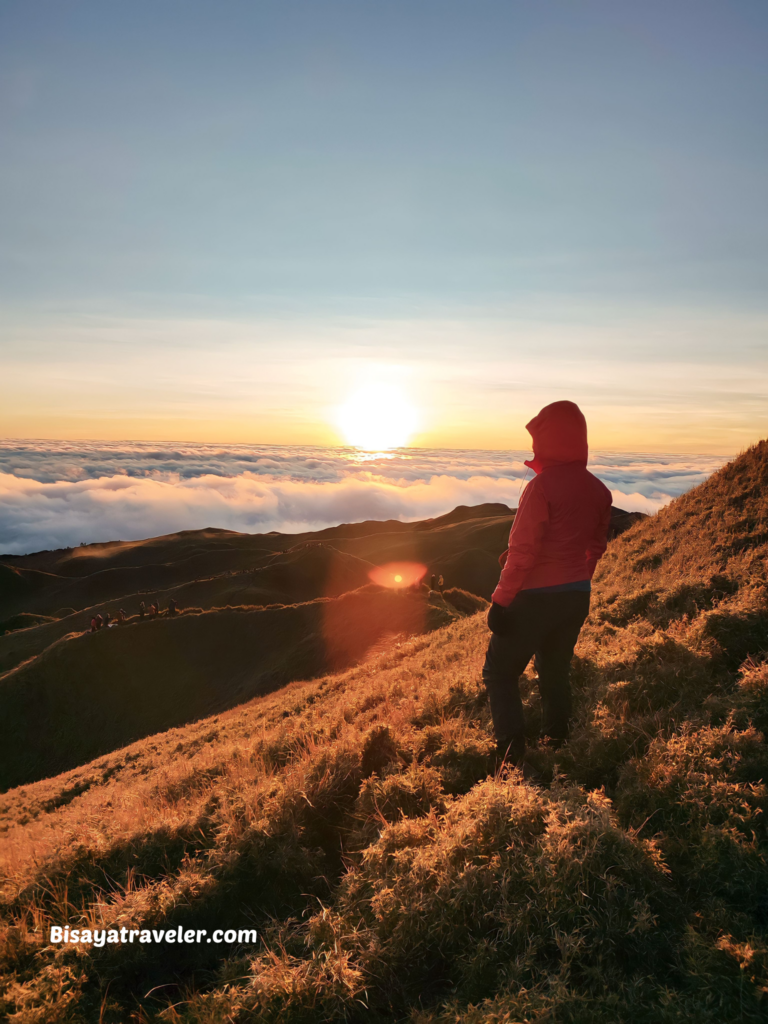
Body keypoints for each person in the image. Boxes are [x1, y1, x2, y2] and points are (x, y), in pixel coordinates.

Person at [483, 400, 612, 771]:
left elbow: (522, 552)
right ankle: (557, 741)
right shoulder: (600, 491)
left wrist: (501, 601)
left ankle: (510, 755)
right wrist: (575, 583)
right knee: (555, 670)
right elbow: (595, 549)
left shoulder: (541, 487)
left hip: (533, 598)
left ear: (548, 440)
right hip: (576, 596)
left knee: (499, 672)